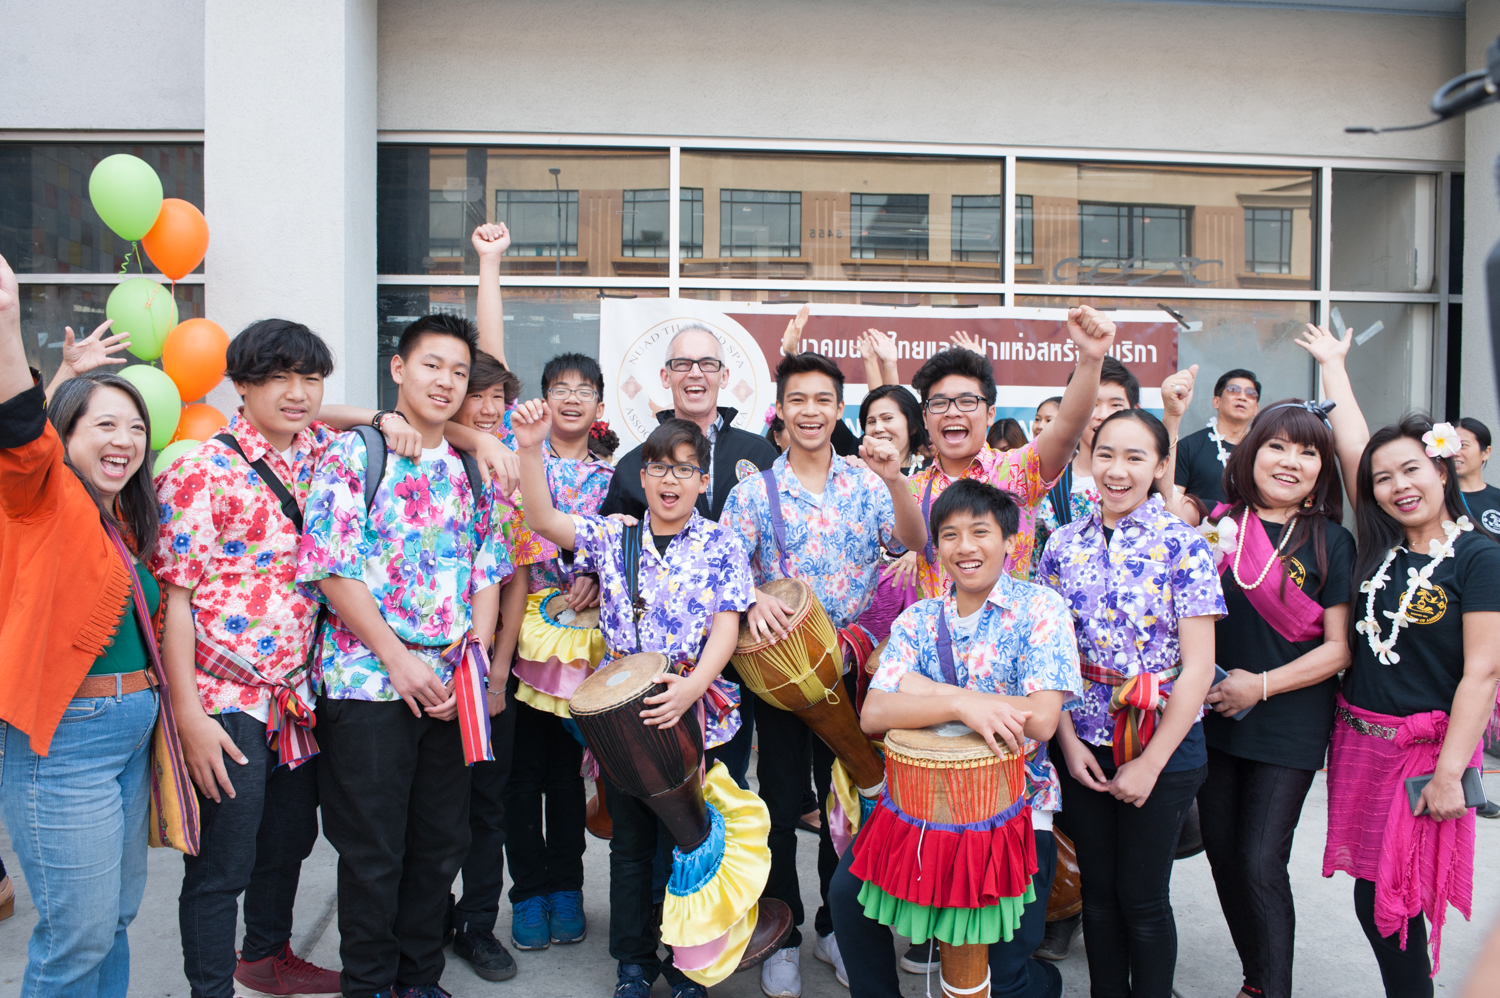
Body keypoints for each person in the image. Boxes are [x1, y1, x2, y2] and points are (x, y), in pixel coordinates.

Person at [295, 313, 516, 998]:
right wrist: (398, 659)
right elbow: (331, 569)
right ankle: (369, 985)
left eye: (457, 371)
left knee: (439, 845)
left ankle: (417, 979)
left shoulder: (469, 469)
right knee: (372, 854)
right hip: (368, 687)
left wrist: (470, 665)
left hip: (451, 691)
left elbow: (487, 571)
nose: (445, 382)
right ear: (398, 369)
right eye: (432, 366)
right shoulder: (356, 454)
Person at [512, 406, 756, 998]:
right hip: (621, 717)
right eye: (658, 468)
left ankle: (687, 964)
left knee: (692, 844)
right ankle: (631, 963)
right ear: (641, 477)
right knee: (629, 846)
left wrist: (694, 686)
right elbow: (541, 516)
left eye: (684, 469)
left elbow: (727, 624)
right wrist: (529, 446)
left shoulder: (722, 542)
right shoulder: (612, 533)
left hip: (696, 710)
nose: (670, 480)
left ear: (703, 480)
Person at [1297, 322, 1500, 994]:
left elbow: (1484, 672)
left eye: (1412, 469)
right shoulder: (1382, 549)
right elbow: (1359, 445)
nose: (1396, 485)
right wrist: (1334, 366)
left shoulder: (1479, 557)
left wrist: (1449, 776)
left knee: (1397, 899)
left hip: (1426, 754)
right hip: (1360, 745)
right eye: (1384, 479)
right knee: (1374, 893)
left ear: (1442, 469)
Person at [719, 351, 928, 997]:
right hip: (780, 680)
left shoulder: (868, 482)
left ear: (840, 409)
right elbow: (724, 571)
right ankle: (780, 931)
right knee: (781, 804)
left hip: (854, 670)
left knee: (847, 802)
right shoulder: (753, 491)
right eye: (798, 400)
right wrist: (749, 596)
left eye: (823, 400)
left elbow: (915, 543)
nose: (810, 411)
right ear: (780, 409)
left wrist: (896, 480)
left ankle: (837, 927)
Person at [829, 479, 1083, 998]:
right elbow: (875, 713)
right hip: (916, 809)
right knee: (848, 902)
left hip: (1014, 809)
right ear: (937, 547)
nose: (965, 547)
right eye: (950, 535)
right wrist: (961, 702)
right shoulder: (920, 618)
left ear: (1009, 540)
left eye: (980, 532)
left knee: (1004, 972)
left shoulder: (1042, 609)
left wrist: (925, 691)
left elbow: (1039, 720)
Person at [0, 253, 169, 998]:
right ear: (66, 435)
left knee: (116, 920)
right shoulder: (43, 499)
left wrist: (70, 381)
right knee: (77, 935)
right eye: (104, 424)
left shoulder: (116, 521)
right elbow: (21, 438)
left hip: (128, 734)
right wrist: (7, 320)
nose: (125, 440)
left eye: (135, 427)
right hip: (64, 740)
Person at [1038, 407, 1225, 998]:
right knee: (1097, 893)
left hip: (1163, 742)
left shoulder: (1185, 546)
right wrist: (1067, 745)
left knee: (1143, 897)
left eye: (1136, 457)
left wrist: (1149, 764)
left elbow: (1197, 669)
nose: (1117, 471)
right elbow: (1051, 660)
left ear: (1162, 466)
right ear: (1089, 461)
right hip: (1085, 738)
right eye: (1107, 455)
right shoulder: (1062, 546)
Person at [1193, 400, 1355, 998]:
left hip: (1288, 720)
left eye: (1308, 452)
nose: (1290, 461)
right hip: (1213, 716)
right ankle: (1253, 977)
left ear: (1322, 469)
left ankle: (1269, 989)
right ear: (1250, 452)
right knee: (1224, 858)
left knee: (1261, 861)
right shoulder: (1214, 525)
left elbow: (1338, 650)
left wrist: (1258, 685)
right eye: (1278, 446)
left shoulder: (1331, 542)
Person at [601, 322, 778, 788]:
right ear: (666, 376)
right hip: (657, 669)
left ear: (723, 375)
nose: (694, 373)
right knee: (655, 794)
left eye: (706, 363)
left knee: (724, 789)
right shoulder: (635, 462)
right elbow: (612, 540)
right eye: (682, 363)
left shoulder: (760, 454)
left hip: (739, 648)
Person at [907, 305, 1116, 597]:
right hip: (937, 637)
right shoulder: (909, 490)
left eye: (967, 401)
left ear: (990, 414)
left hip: (1010, 637)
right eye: (939, 403)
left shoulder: (1018, 469)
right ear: (925, 417)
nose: (952, 412)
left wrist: (1091, 359)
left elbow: (1067, 427)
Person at [1175, 369, 1261, 508]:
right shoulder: (1189, 446)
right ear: (1216, 401)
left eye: (1251, 394)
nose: (1242, 397)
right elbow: (1173, 503)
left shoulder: (1262, 450)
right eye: (1233, 390)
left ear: (1256, 408)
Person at [1455, 417, 1500, 535]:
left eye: (1463, 445)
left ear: (1486, 453)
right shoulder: (1439, 498)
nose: (1456, 452)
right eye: (1452, 446)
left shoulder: (1497, 498)